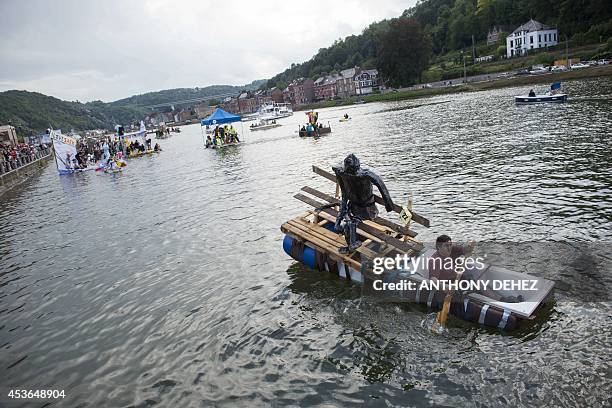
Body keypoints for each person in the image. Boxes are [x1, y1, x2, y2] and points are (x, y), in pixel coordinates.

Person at [428, 235, 523, 302]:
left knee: (478, 278)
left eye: (450, 245)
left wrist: (469, 245)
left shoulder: (452, 249)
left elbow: (465, 249)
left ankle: (504, 298)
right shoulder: (435, 260)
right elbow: (433, 280)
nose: (449, 248)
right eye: (446, 246)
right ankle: (501, 301)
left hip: (459, 278)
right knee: (479, 285)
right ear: (438, 247)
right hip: (449, 286)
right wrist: (446, 288)